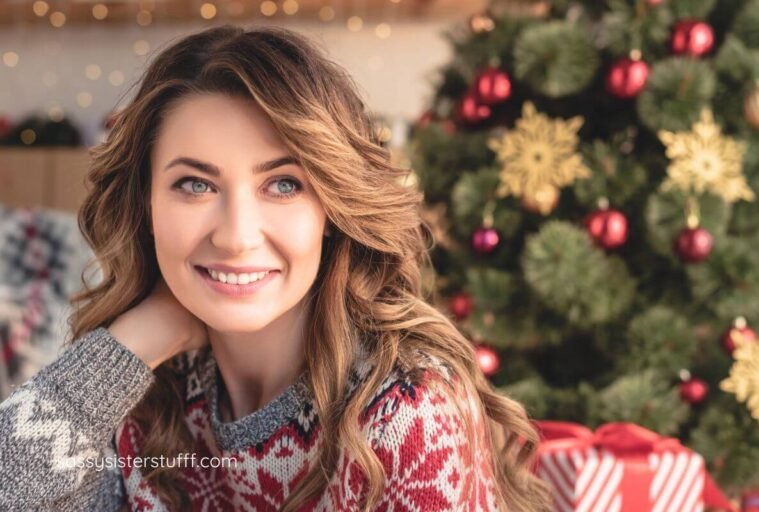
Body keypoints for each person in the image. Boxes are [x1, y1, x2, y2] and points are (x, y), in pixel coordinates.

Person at [0, 25, 551, 511]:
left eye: (283, 185)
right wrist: (132, 343)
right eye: (195, 184)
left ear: (331, 209)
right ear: (146, 205)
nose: (237, 237)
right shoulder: (144, 390)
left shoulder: (406, 412)